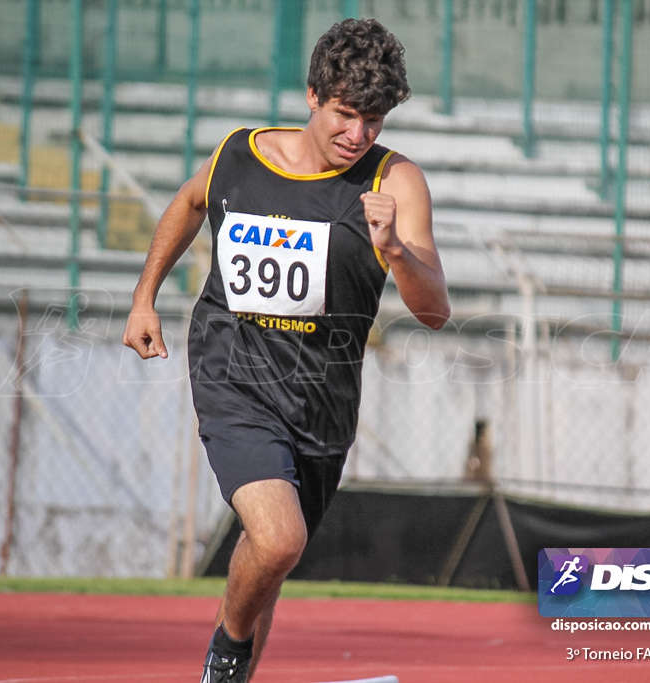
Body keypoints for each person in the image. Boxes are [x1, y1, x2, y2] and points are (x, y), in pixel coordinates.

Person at [122, 17, 450, 683]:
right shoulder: (241, 154)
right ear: (312, 96)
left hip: (322, 398)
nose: (357, 135)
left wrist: (395, 251)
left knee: (271, 555)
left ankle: (234, 666)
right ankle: (227, 653)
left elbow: (434, 307)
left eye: (374, 120)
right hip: (231, 372)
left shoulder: (396, 182)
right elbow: (188, 205)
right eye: (345, 113)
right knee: (279, 538)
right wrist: (143, 296)